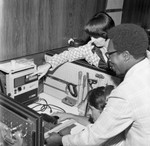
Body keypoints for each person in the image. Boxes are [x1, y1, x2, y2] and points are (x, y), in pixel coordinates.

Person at [45, 23, 150, 146]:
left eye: (109, 54)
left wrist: (60, 140)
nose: (108, 60)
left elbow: (93, 138)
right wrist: (70, 115)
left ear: (126, 56)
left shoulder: (126, 93)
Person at [33, 11, 115, 79]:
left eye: (96, 37)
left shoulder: (121, 48)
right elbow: (67, 55)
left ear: (107, 34)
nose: (92, 40)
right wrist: (48, 64)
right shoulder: (89, 48)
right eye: (91, 36)